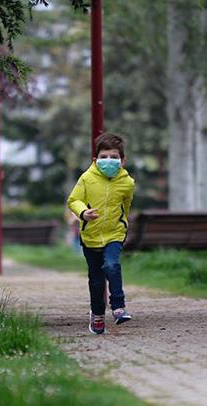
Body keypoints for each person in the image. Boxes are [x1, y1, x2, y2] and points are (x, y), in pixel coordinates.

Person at [67, 132, 135, 334]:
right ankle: (97, 314)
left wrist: (122, 224)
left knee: (112, 265)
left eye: (114, 157)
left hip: (114, 233)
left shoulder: (127, 182)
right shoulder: (87, 178)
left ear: (122, 161)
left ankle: (118, 307)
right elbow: (73, 200)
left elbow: (126, 205)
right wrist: (83, 212)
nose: (109, 161)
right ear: (95, 160)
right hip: (90, 236)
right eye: (104, 157)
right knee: (96, 280)